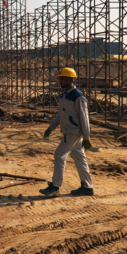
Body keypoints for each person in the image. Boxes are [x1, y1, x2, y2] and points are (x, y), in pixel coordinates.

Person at [39, 67, 95, 197]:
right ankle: (87, 187)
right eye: (59, 78)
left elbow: (85, 119)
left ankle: (55, 186)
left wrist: (86, 138)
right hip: (69, 132)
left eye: (63, 79)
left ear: (71, 79)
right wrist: (50, 128)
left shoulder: (79, 97)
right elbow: (61, 114)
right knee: (80, 159)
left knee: (59, 155)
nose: (60, 81)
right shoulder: (65, 95)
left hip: (73, 133)